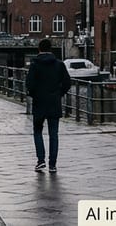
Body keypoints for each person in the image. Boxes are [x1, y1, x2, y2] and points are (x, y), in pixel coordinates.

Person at [25, 38, 71, 173]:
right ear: (51, 49)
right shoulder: (59, 65)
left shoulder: (34, 65)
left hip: (39, 103)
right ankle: (53, 164)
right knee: (53, 134)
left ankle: (40, 161)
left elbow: (29, 84)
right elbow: (67, 83)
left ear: (39, 49)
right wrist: (59, 93)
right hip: (54, 102)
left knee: (38, 132)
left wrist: (34, 94)